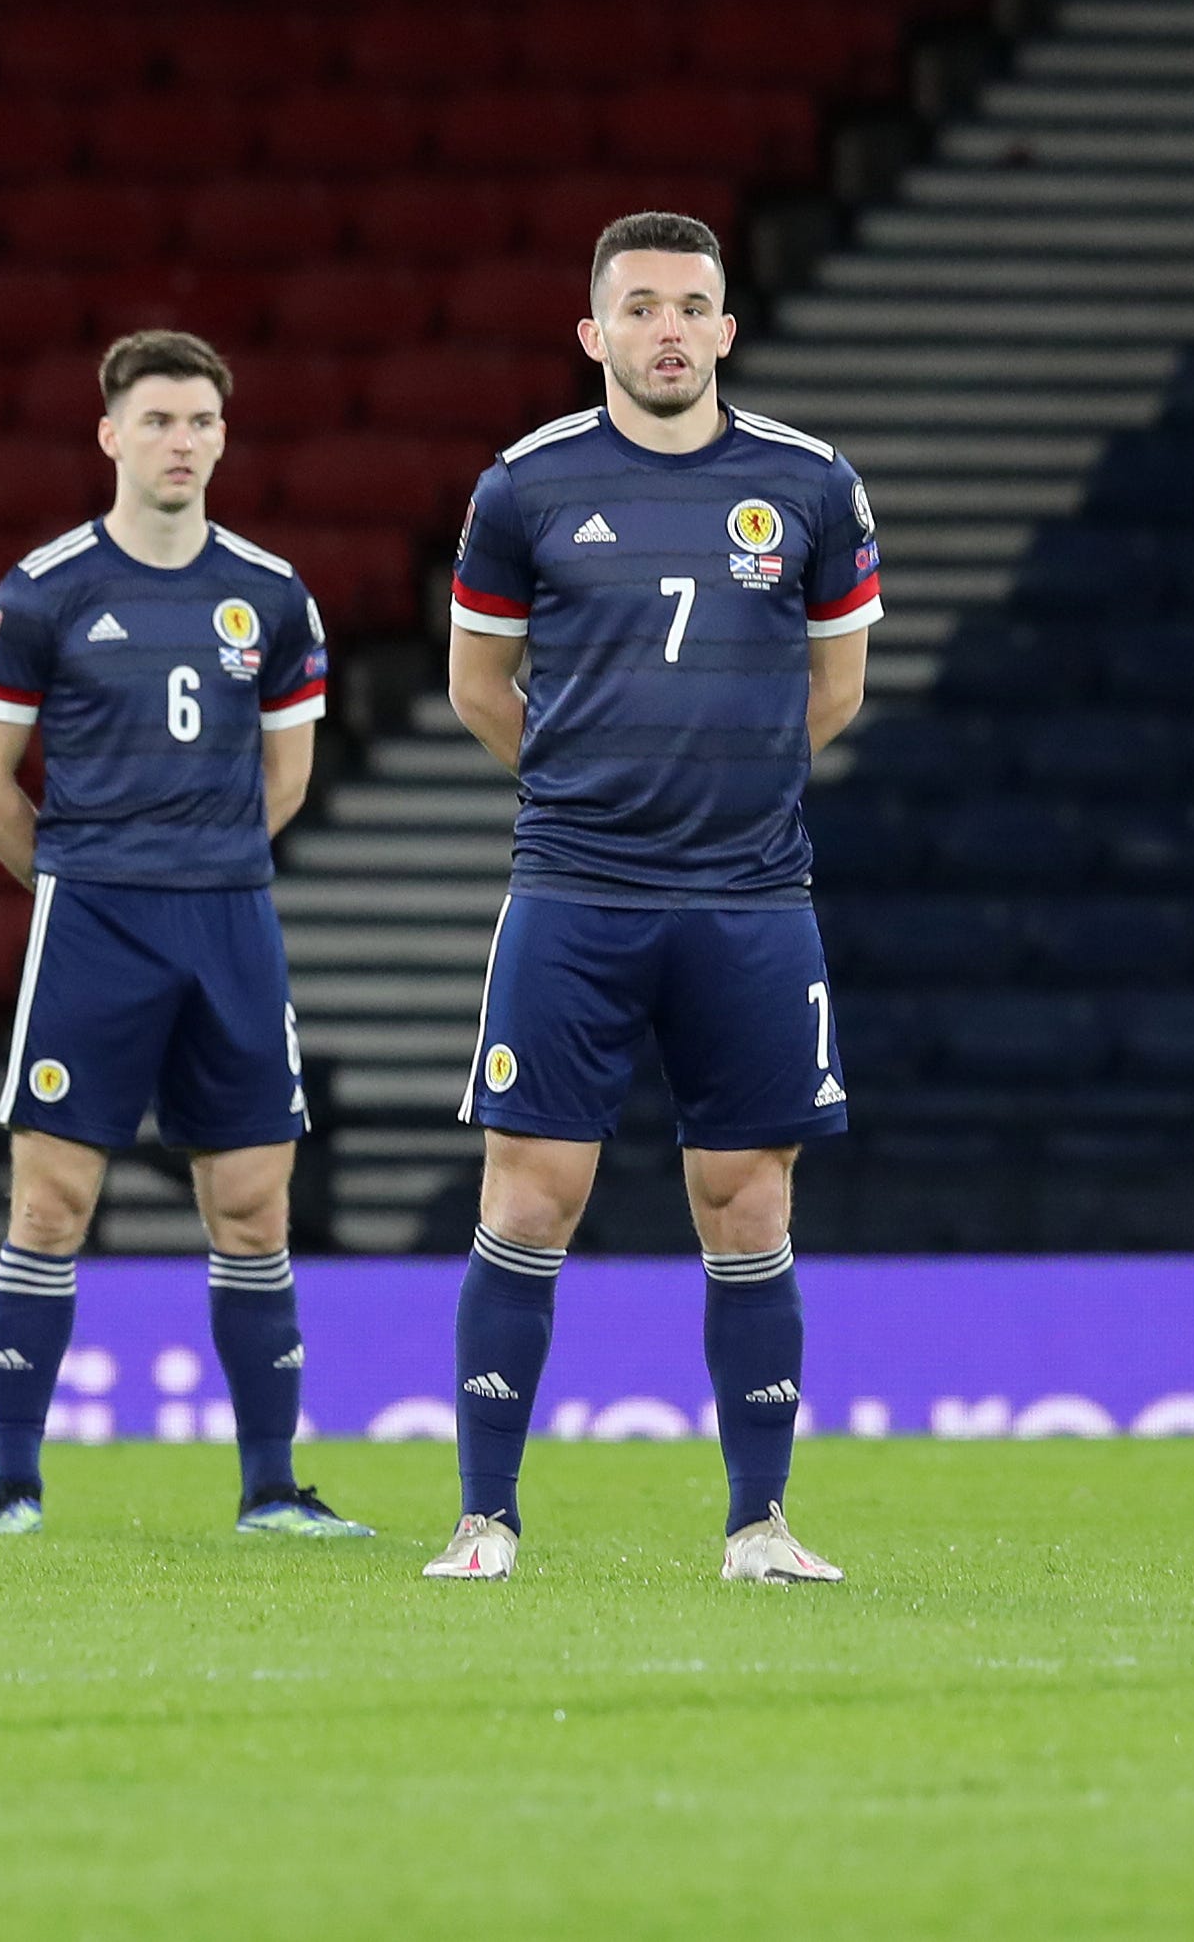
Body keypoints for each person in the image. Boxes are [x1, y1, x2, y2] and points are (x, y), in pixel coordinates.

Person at [425, 211, 882, 1586]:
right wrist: (595, 797)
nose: (666, 329)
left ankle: (760, 1526)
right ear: (593, 334)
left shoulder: (809, 485)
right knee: (529, 1196)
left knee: (746, 1204)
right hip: (571, 894)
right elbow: (472, 686)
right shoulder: (523, 486)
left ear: (727, 330)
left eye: (691, 306)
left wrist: (724, 796)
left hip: (749, 903)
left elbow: (837, 688)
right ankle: (484, 1519)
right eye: (639, 308)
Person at [0, 330, 368, 1541]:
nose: (180, 442)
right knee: (49, 1203)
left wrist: (203, 868)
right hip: (93, 924)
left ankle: (271, 1492)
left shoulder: (274, 596)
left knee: (251, 1207)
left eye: (199, 423)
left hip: (229, 923)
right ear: (111, 436)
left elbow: (286, 779)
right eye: (158, 422)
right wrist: (84, 881)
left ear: (223, 438)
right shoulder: (43, 590)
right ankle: (13, 1489)